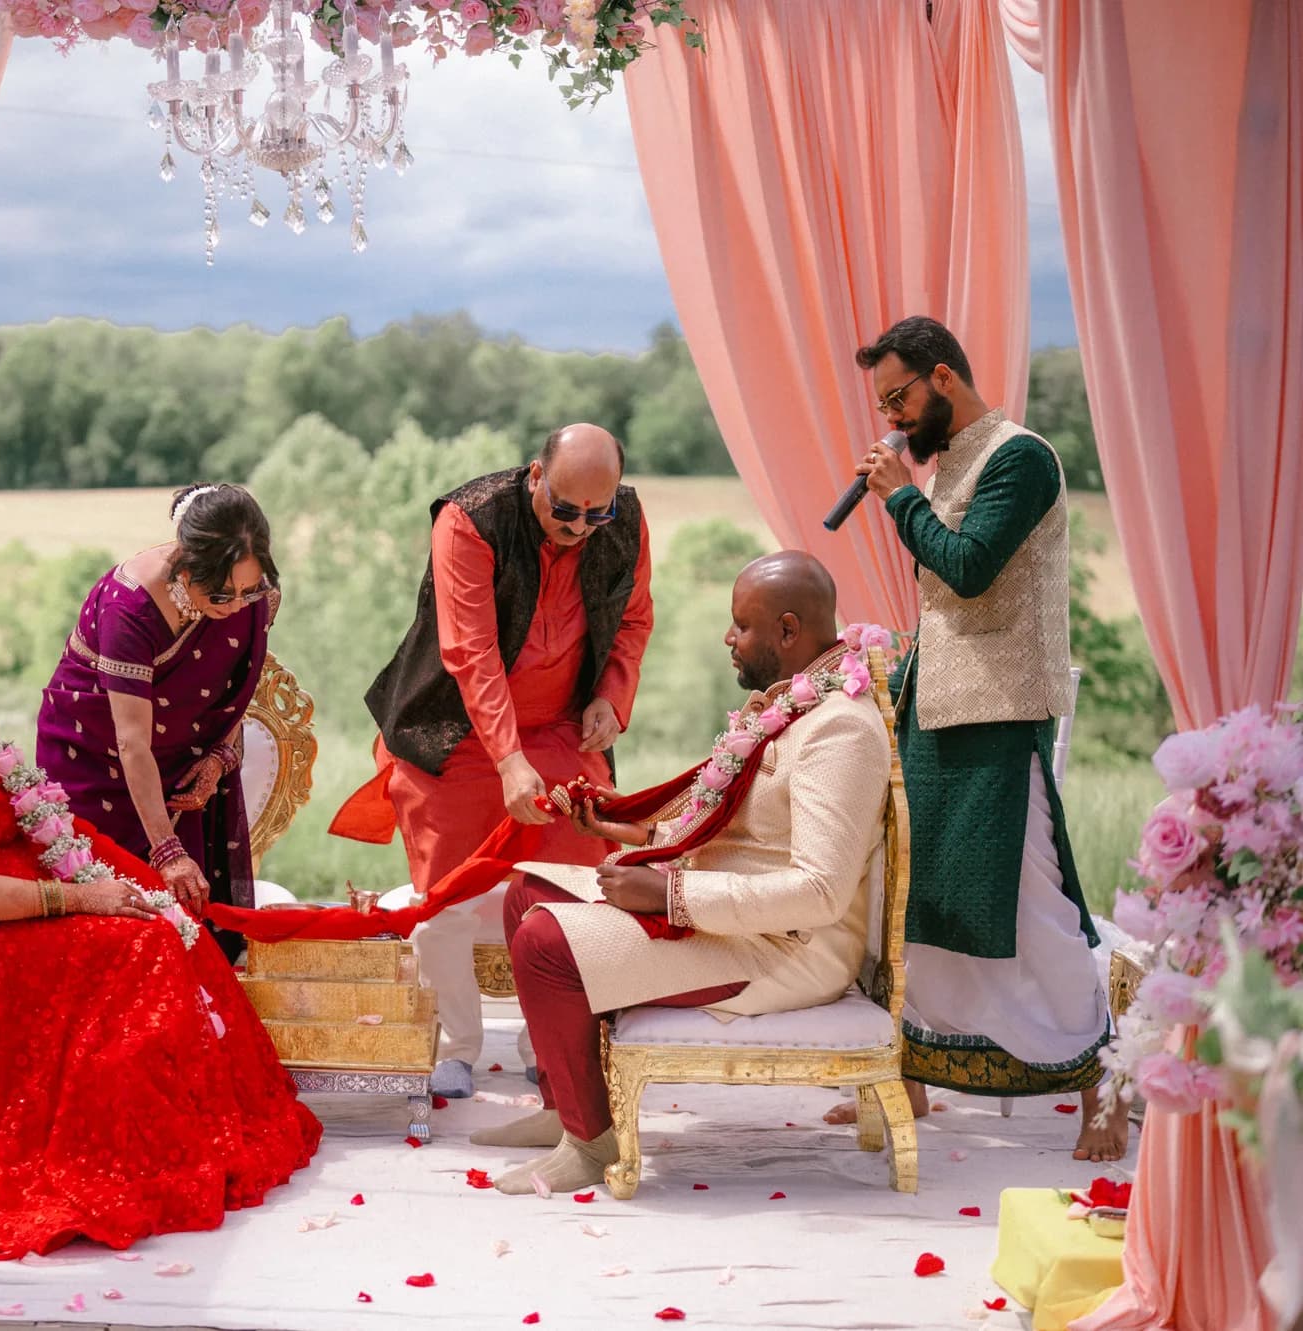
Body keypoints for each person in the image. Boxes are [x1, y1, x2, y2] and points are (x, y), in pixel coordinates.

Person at [0, 591, 319, 1258]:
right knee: (134, 947)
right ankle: (119, 1158)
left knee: (155, 914)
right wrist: (82, 899)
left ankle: (160, 1136)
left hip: (1, 906)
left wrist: (106, 873)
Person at [475, 552, 893, 1193]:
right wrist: (638, 837)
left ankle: (592, 1145)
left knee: (544, 944)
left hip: (785, 950)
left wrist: (669, 892)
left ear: (787, 631)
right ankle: (564, 1111)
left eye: (741, 626)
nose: (729, 639)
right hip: (728, 920)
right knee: (526, 893)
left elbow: (819, 892)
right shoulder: (789, 704)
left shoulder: (841, 729)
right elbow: (740, 828)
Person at [851, 315, 1123, 1161]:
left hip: (1002, 713)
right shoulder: (956, 461)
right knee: (920, 896)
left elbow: (968, 569)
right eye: (884, 403)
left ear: (943, 377)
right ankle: (914, 1077)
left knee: (1033, 900)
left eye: (899, 396)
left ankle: (1106, 1094)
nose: (894, 416)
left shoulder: (1021, 456)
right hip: (934, 707)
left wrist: (899, 495)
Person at [333, 424, 654, 1098]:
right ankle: (456, 1043)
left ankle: (551, 1037)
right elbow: (471, 652)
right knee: (443, 897)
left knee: (575, 891)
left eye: (598, 513)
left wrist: (611, 698)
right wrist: (508, 759)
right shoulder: (469, 520)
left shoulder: (624, 522)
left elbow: (633, 619)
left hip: (564, 728)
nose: (581, 526)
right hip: (459, 731)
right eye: (565, 509)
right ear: (536, 475)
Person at [36, 484, 278, 957]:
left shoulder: (254, 598)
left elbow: (233, 692)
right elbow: (131, 743)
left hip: (184, 769)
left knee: (194, 933)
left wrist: (217, 761)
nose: (234, 607)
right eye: (221, 593)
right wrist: (166, 850)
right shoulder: (129, 609)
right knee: (115, 930)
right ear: (186, 564)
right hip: (95, 765)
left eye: (248, 591)